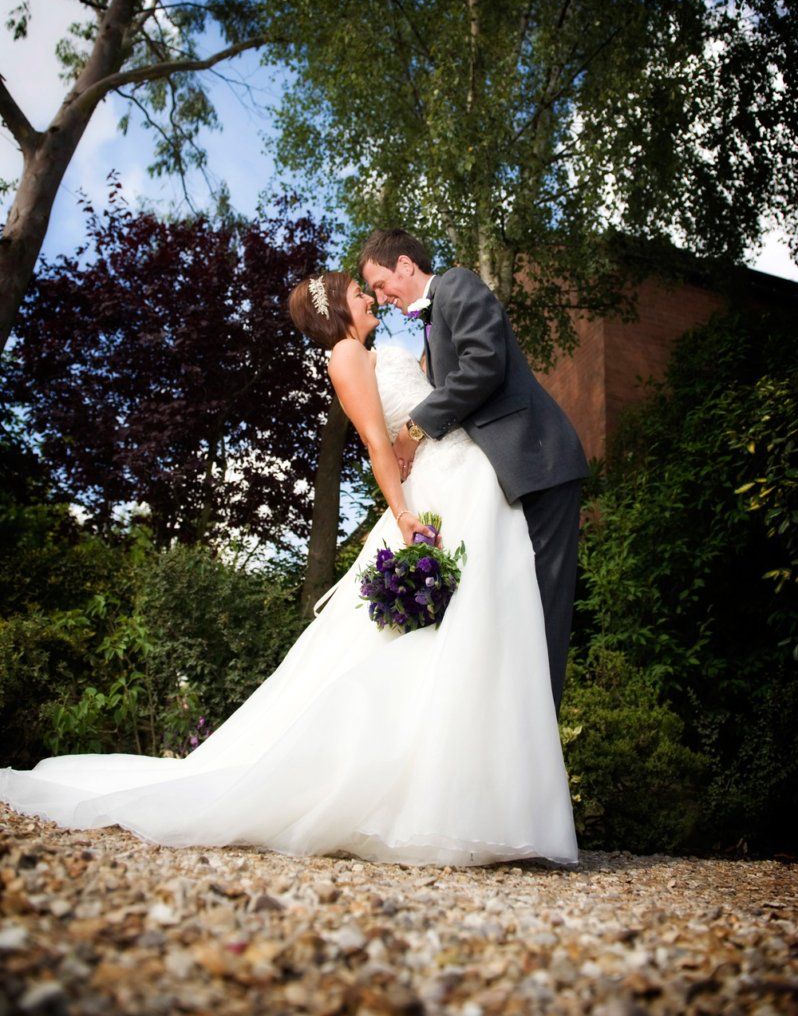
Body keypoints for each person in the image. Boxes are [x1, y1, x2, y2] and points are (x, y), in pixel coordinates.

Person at [0, 267, 577, 868]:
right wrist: (403, 516)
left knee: (470, 633)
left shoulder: (380, 350)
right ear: (338, 311)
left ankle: (471, 794)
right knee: (426, 641)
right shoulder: (347, 357)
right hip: (431, 497)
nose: (371, 298)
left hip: (466, 484)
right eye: (361, 294)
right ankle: (426, 799)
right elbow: (379, 445)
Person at [359, 229, 588, 714]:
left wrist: (413, 431)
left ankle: (537, 732)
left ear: (404, 264)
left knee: (543, 605)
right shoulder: (430, 321)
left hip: (538, 462)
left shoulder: (458, 284)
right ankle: (515, 723)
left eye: (381, 284)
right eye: (374, 292)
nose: (381, 298)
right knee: (516, 599)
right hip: (509, 475)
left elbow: (484, 365)